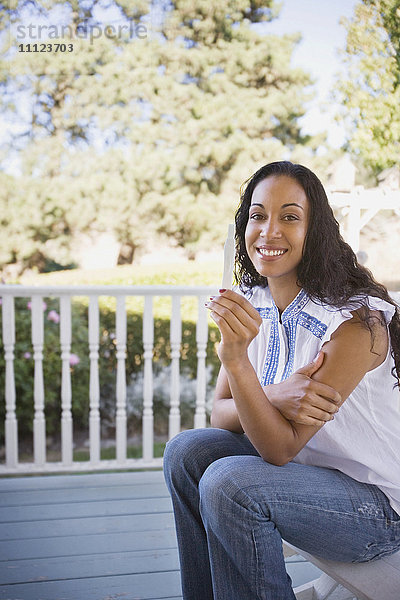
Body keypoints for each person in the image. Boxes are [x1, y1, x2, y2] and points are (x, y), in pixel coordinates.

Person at [163, 161, 400, 600]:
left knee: (231, 484)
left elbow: (278, 447)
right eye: (257, 215)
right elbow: (219, 416)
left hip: (378, 510)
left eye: (289, 217)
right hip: (307, 479)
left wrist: (237, 361)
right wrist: (275, 393)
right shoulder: (254, 302)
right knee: (187, 451)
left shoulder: (354, 324)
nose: (269, 231)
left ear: (316, 232)